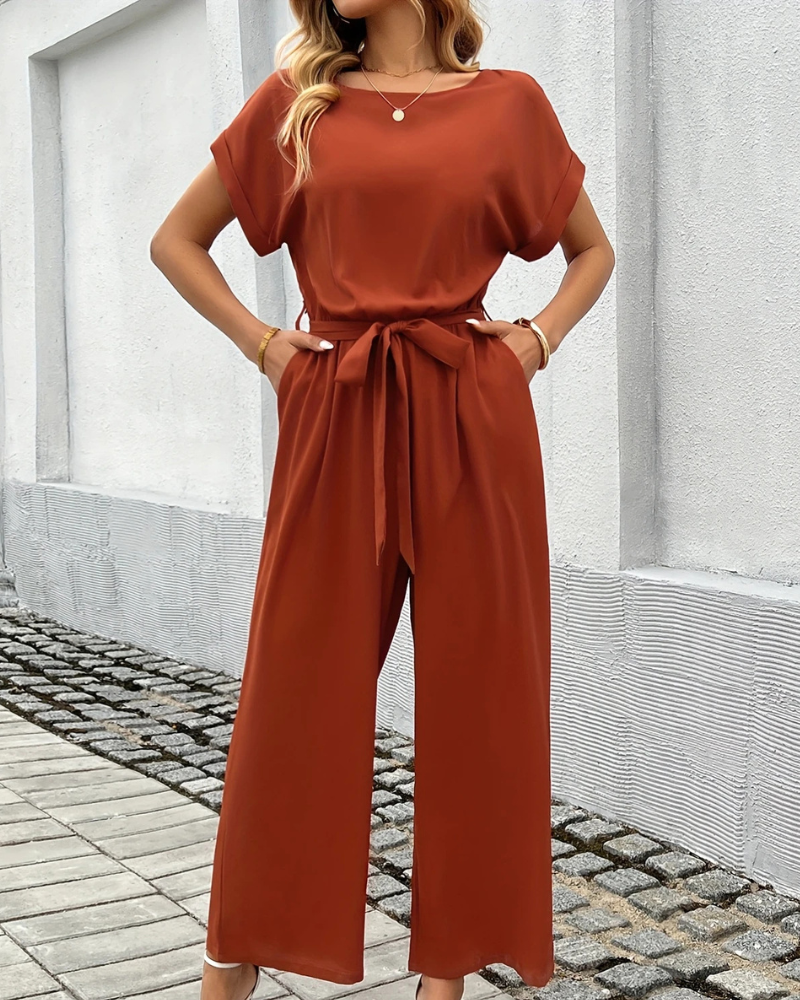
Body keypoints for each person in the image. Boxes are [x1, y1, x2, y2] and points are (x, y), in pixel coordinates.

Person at [151, 1, 615, 998]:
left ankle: (444, 977)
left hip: (471, 418)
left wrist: (533, 342)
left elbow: (592, 251)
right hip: (338, 413)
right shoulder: (298, 102)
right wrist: (266, 347)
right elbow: (177, 239)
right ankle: (232, 963)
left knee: (480, 704)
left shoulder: (509, 107)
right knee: (290, 700)